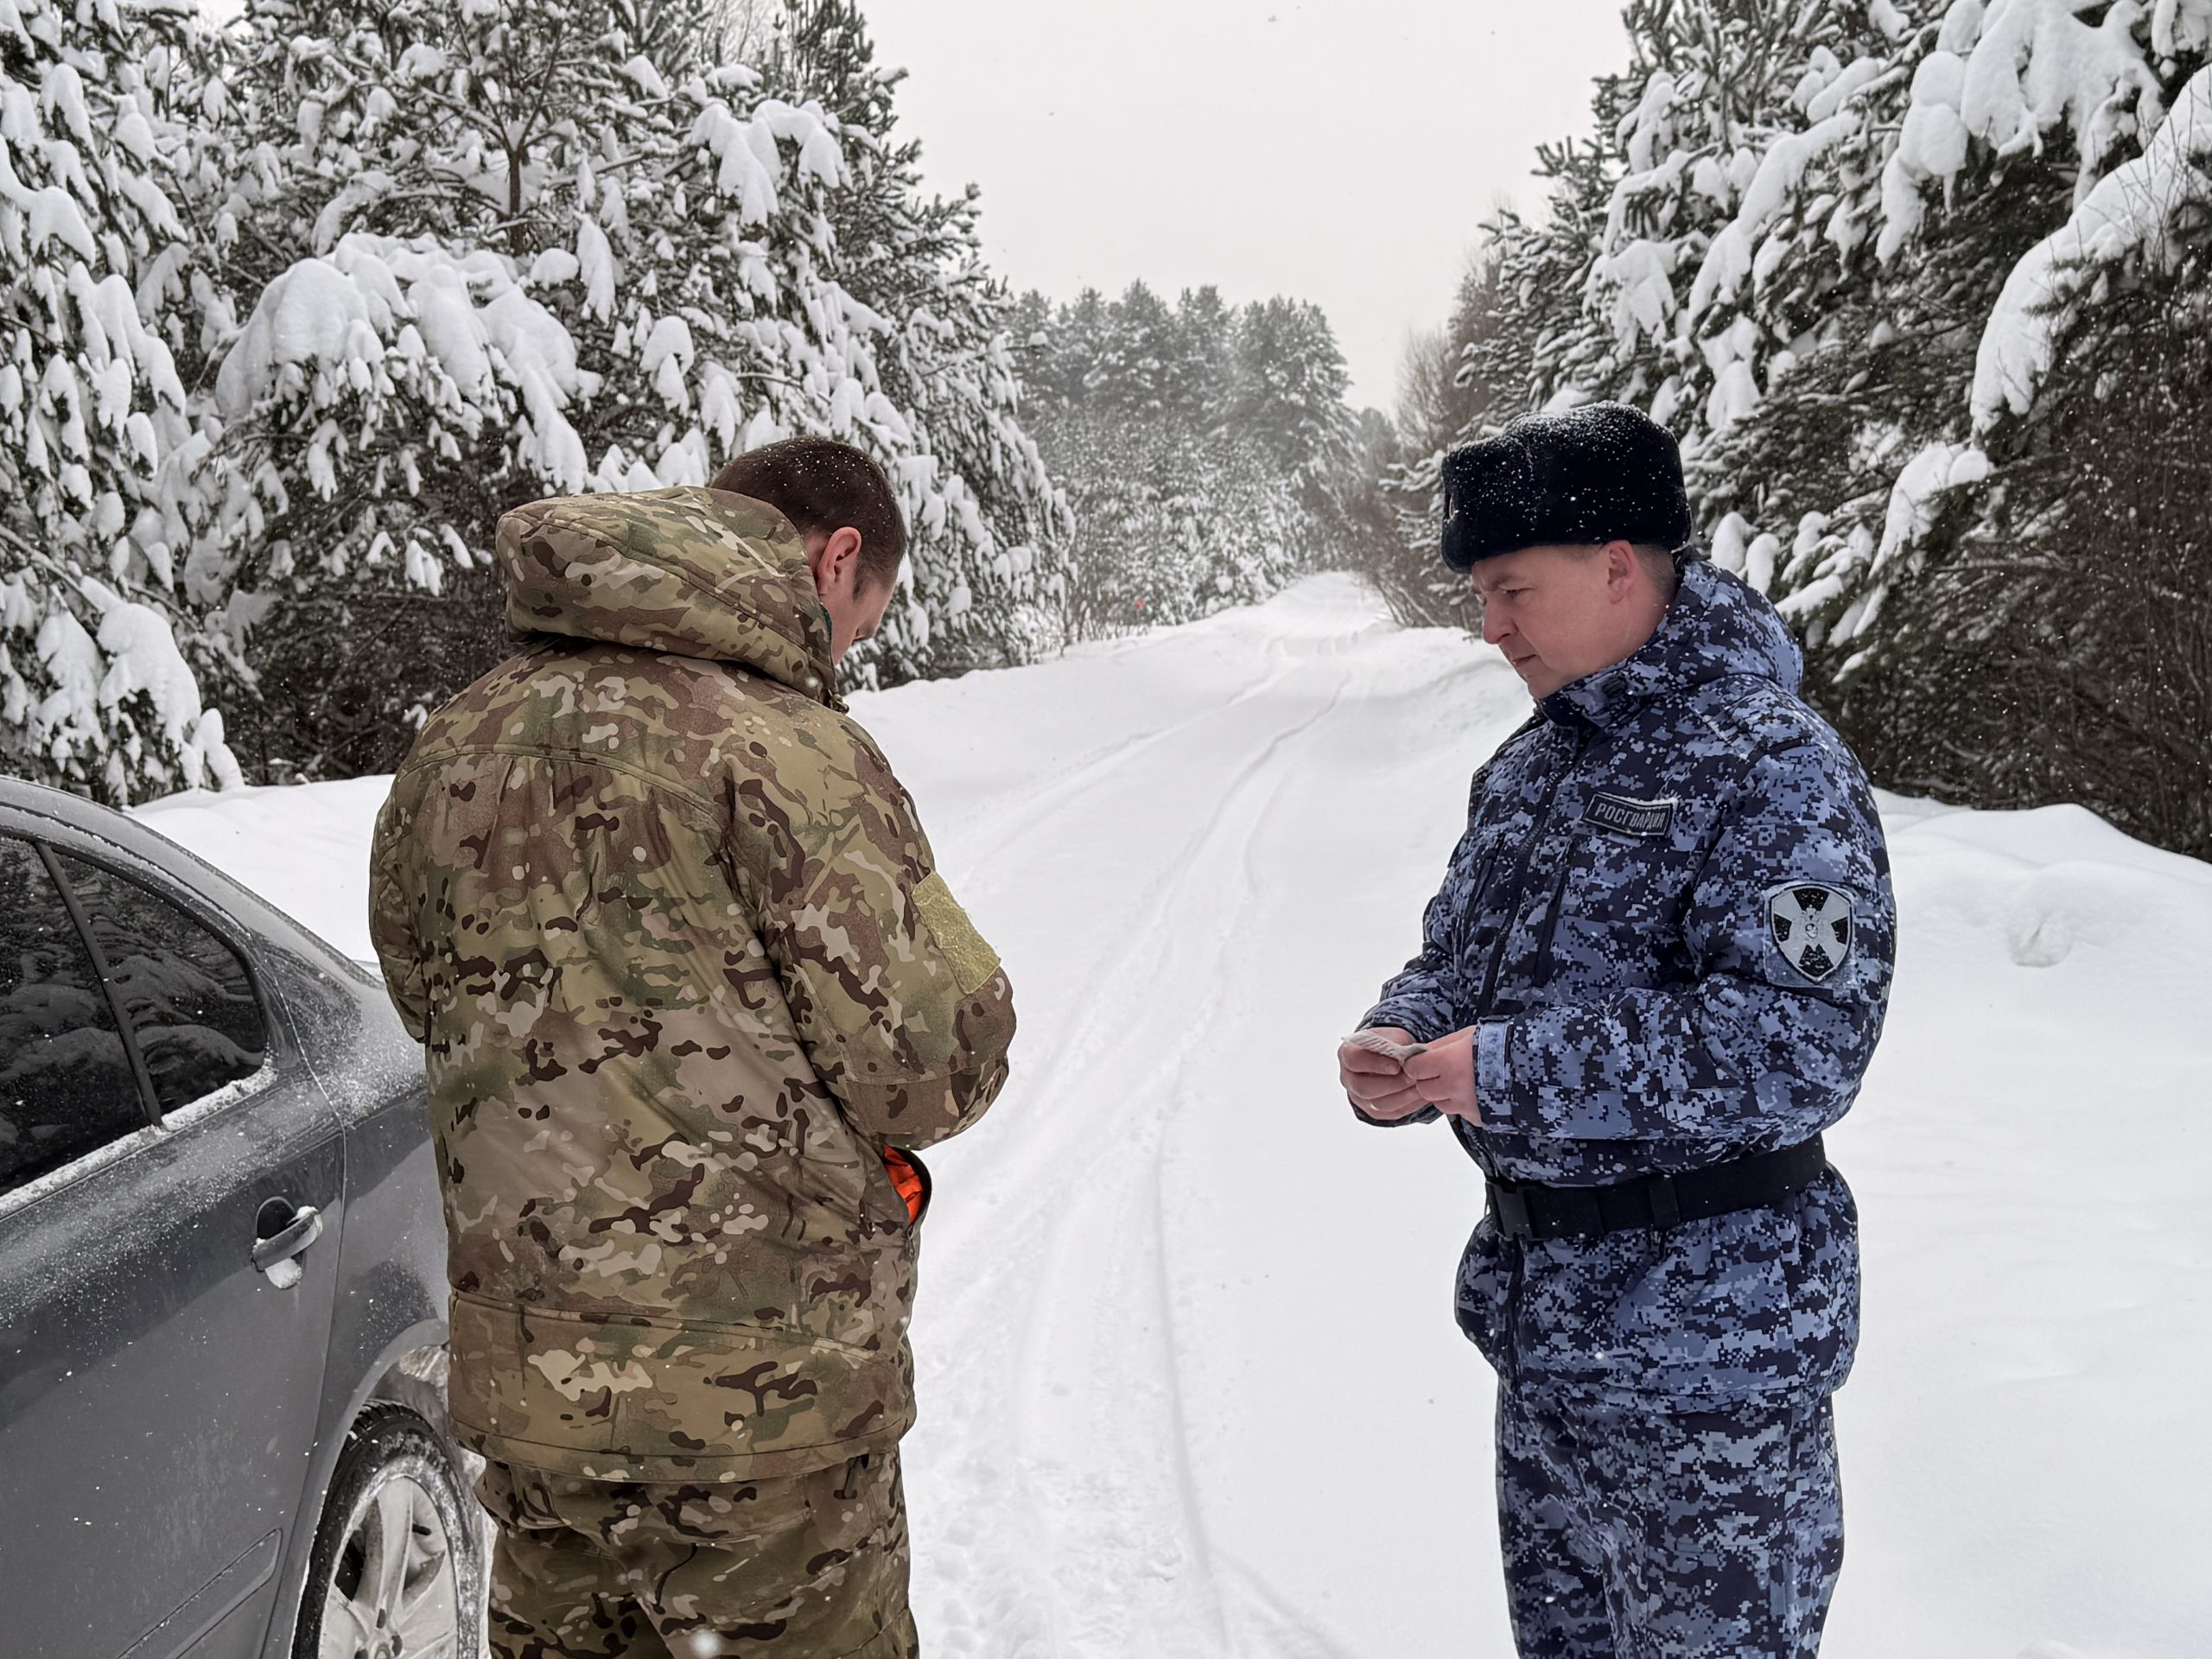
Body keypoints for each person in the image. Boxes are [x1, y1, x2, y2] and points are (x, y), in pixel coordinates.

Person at [370, 436, 1015, 1659]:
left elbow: (427, 991)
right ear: (835, 562)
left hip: (539, 1404)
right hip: (767, 1424)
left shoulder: (459, 738)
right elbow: (929, 1067)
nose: (848, 656)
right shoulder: (793, 751)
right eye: (861, 622)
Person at [1337, 404, 1894, 1658]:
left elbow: (1797, 1045)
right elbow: (1460, 958)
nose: (1492, 628)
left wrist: (1504, 1072)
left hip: (1711, 1364)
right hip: (1548, 1348)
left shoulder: (1771, 765)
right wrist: (1406, 1035)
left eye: (1512, 590)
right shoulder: (1536, 768)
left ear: (1618, 568)